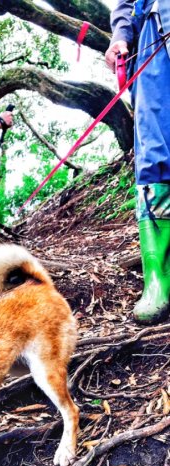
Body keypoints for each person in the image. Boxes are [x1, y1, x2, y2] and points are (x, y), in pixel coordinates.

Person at [105, 1, 170, 324]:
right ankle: (156, 277)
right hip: (154, 41)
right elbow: (127, 5)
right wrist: (121, 36)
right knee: (154, 154)